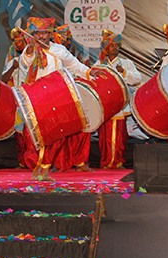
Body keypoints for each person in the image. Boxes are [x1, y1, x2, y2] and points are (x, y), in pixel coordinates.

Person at [19, 17, 97, 178]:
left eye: (44, 34)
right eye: (37, 34)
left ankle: (45, 167)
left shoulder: (59, 50)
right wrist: (30, 49)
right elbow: (25, 62)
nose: (41, 37)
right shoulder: (32, 50)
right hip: (40, 99)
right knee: (41, 135)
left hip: (60, 98)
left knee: (59, 135)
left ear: (50, 34)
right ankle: (39, 166)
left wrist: (89, 72)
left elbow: (74, 65)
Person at [94, 30, 142, 169]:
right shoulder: (99, 64)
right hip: (105, 106)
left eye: (117, 45)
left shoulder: (126, 63)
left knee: (120, 136)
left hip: (120, 106)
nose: (116, 47)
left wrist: (124, 72)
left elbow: (137, 79)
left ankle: (118, 161)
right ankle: (106, 162)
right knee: (104, 136)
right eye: (112, 45)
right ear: (106, 48)